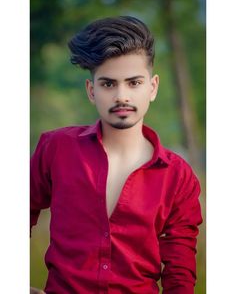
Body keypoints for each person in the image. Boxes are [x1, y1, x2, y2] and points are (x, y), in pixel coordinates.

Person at [30, 16, 202, 294]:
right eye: (108, 84)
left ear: (153, 87)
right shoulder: (56, 148)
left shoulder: (178, 176)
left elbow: (180, 269)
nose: (122, 96)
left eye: (134, 83)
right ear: (91, 90)